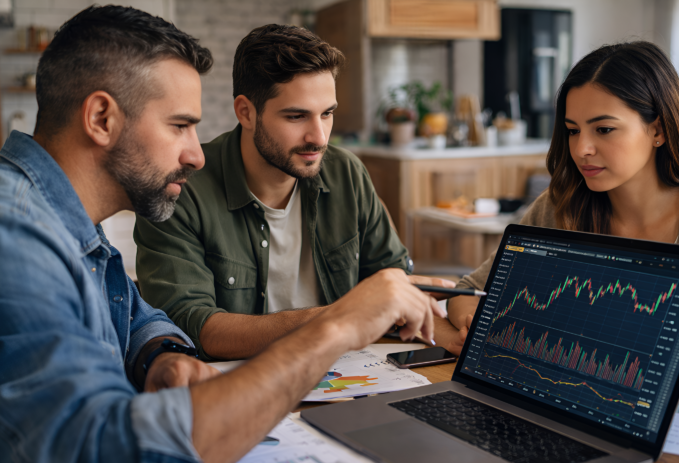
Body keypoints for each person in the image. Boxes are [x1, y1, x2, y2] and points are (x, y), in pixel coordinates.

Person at [0, 7, 442, 463]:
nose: (197, 154)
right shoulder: (15, 235)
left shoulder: (65, 219)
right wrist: (336, 325)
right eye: (180, 126)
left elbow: (133, 315)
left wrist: (160, 356)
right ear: (101, 118)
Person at [133, 24, 463, 359]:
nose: (318, 137)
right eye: (296, 116)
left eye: (327, 114)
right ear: (246, 112)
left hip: (351, 376)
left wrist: (455, 336)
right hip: (239, 389)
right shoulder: (181, 189)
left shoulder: (345, 171)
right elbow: (192, 327)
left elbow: (392, 279)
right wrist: (343, 316)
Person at [447, 41, 679, 383]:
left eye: (603, 129)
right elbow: (467, 292)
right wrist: (475, 322)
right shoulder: (559, 206)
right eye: (573, 131)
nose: (582, 148)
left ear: (657, 130)